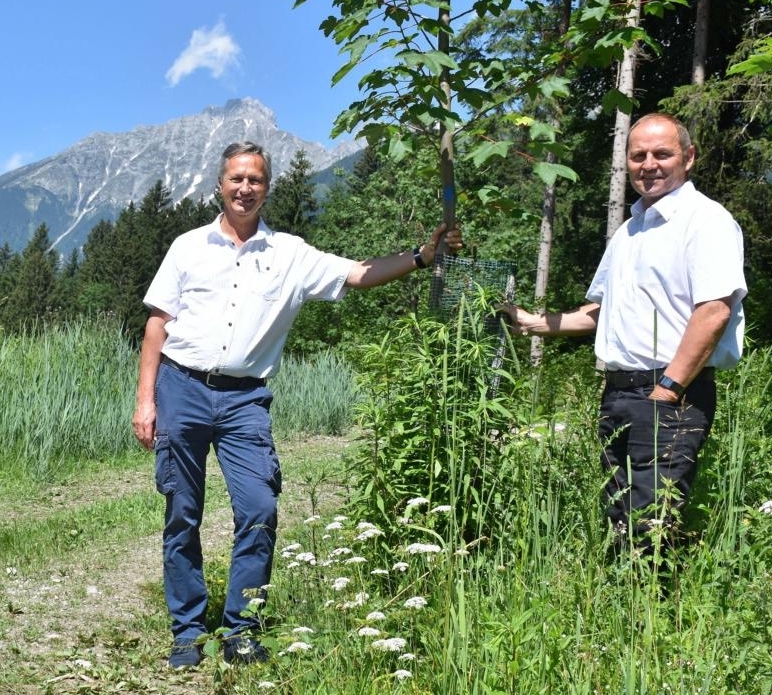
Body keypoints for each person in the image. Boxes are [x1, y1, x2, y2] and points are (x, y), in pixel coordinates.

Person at [132, 141, 462, 668]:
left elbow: (358, 273)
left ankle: (241, 630)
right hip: (182, 387)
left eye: (255, 180)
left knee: (259, 510)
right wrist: (145, 400)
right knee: (182, 513)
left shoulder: (290, 254)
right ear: (220, 185)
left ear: (268, 188)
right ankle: (188, 633)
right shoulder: (187, 246)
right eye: (236, 179)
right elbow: (157, 326)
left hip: (246, 400)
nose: (245, 188)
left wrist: (423, 257)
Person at [505, 113, 746, 561]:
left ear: (688, 158)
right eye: (639, 155)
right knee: (620, 517)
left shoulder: (705, 221)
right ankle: (625, 618)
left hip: (670, 391)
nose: (648, 164)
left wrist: (668, 389)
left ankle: (654, 620)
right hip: (618, 392)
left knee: (652, 523)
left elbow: (714, 309)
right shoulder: (629, 231)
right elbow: (601, 311)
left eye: (662, 154)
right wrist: (533, 322)